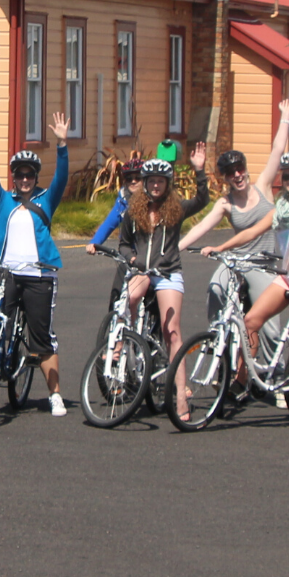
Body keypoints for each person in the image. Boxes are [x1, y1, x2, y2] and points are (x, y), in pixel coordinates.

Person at [201, 104, 289, 428]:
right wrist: (220, 246)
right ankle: (244, 380)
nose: (288, 180)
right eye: (285, 176)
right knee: (250, 321)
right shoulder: (281, 208)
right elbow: (250, 231)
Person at [0, 101, 72, 416]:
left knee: (42, 338)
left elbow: (62, 176)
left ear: (35, 177)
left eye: (29, 175)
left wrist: (62, 144)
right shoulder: (3, 199)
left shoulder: (46, 200)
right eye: (19, 175)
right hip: (5, 274)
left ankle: (54, 394)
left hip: (39, 276)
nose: (24, 180)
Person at [182, 99, 289, 345]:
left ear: (245, 168)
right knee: (215, 288)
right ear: (226, 178)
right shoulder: (226, 203)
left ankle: (275, 373)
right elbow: (202, 226)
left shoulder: (263, 187)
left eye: (239, 169)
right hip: (235, 260)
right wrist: (174, 248)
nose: (237, 175)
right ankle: (217, 337)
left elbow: (277, 151)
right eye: (231, 173)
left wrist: (285, 116)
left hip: (262, 263)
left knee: (269, 328)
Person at [113, 147, 209, 419]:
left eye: (160, 182)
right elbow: (123, 244)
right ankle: (125, 342)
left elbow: (203, 199)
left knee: (172, 332)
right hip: (143, 271)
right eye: (151, 181)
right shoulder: (134, 210)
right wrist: (132, 259)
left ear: (168, 185)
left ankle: (180, 396)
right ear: (144, 184)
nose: (155, 186)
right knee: (128, 298)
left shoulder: (177, 208)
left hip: (168, 271)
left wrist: (199, 170)